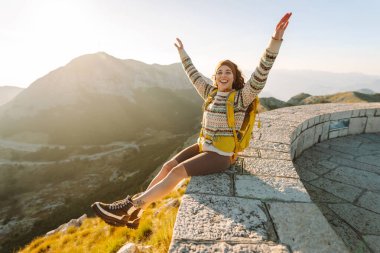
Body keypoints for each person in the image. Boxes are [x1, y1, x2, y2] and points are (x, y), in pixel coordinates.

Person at [91, 12, 292, 229]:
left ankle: (129, 207)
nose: (223, 75)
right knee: (168, 166)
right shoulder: (211, 93)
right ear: (215, 78)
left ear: (234, 78)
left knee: (177, 173)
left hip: (220, 156)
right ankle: (138, 212)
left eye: (228, 72)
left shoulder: (241, 98)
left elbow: (262, 72)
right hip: (202, 146)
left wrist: (275, 40)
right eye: (219, 72)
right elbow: (193, 74)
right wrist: (182, 53)